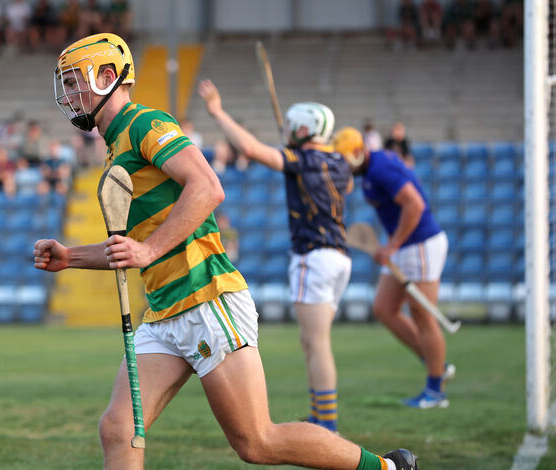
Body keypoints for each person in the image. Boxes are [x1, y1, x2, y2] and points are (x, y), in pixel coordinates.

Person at [35, 32, 419, 470]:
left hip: (206, 297)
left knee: (257, 442)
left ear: (108, 76)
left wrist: (148, 249)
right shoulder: (114, 148)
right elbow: (132, 251)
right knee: (118, 429)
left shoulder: (145, 124)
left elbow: (207, 188)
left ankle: (386, 469)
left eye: (74, 81)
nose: (68, 94)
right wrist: (71, 256)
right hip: (163, 313)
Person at [200, 81, 351, 433]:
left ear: (304, 129)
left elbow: (251, 149)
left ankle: (326, 424)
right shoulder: (338, 162)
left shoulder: (301, 159)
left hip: (313, 257)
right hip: (340, 259)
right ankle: (320, 415)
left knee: (317, 343)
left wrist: (217, 111)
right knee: (311, 341)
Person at [333, 126, 455, 409]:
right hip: (404, 246)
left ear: (356, 153)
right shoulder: (369, 170)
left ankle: (435, 391)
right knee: (384, 309)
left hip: (420, 244)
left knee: (423, 317)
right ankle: (436, 363)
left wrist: (392, 245)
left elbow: (415, 204)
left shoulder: (379, 169)